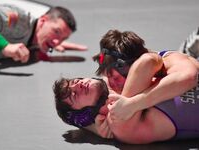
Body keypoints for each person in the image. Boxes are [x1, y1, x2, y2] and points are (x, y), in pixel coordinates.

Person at [52, 30, 199, 144]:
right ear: (85, 115)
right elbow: (147, 61)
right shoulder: (119, 121)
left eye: (75, 81)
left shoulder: (166, 59)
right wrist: (93, 126)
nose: (78, 84)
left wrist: (135, 103)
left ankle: (188, 49)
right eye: (73, 94)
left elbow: (151, 61)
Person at [0, 4, 87, 63]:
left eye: (63, 38)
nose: (57, 41)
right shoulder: (17, 19)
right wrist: (4, 45)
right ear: (43, 21)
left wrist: (48, 43)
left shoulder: (38, 40)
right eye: (56, 32)